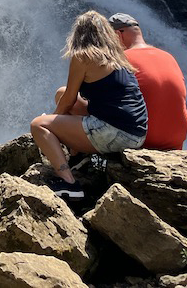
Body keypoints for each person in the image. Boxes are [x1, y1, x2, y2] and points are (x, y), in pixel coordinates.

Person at [31, 11, 147, 200]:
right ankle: (77, 157)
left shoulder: (83, 56)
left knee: (39, 125)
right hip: (137, 133)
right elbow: (67, 96)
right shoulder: (118, 56)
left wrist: (52, 127)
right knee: (60, 93)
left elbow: (69, 100)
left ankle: (69, 184)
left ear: (79, 34)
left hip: (116, 133)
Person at [108, 13, 187, 151]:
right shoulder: (168, 57)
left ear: (117, 35)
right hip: (177, 139)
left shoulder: (121, 60)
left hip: (144, 139)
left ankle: (76, 168)